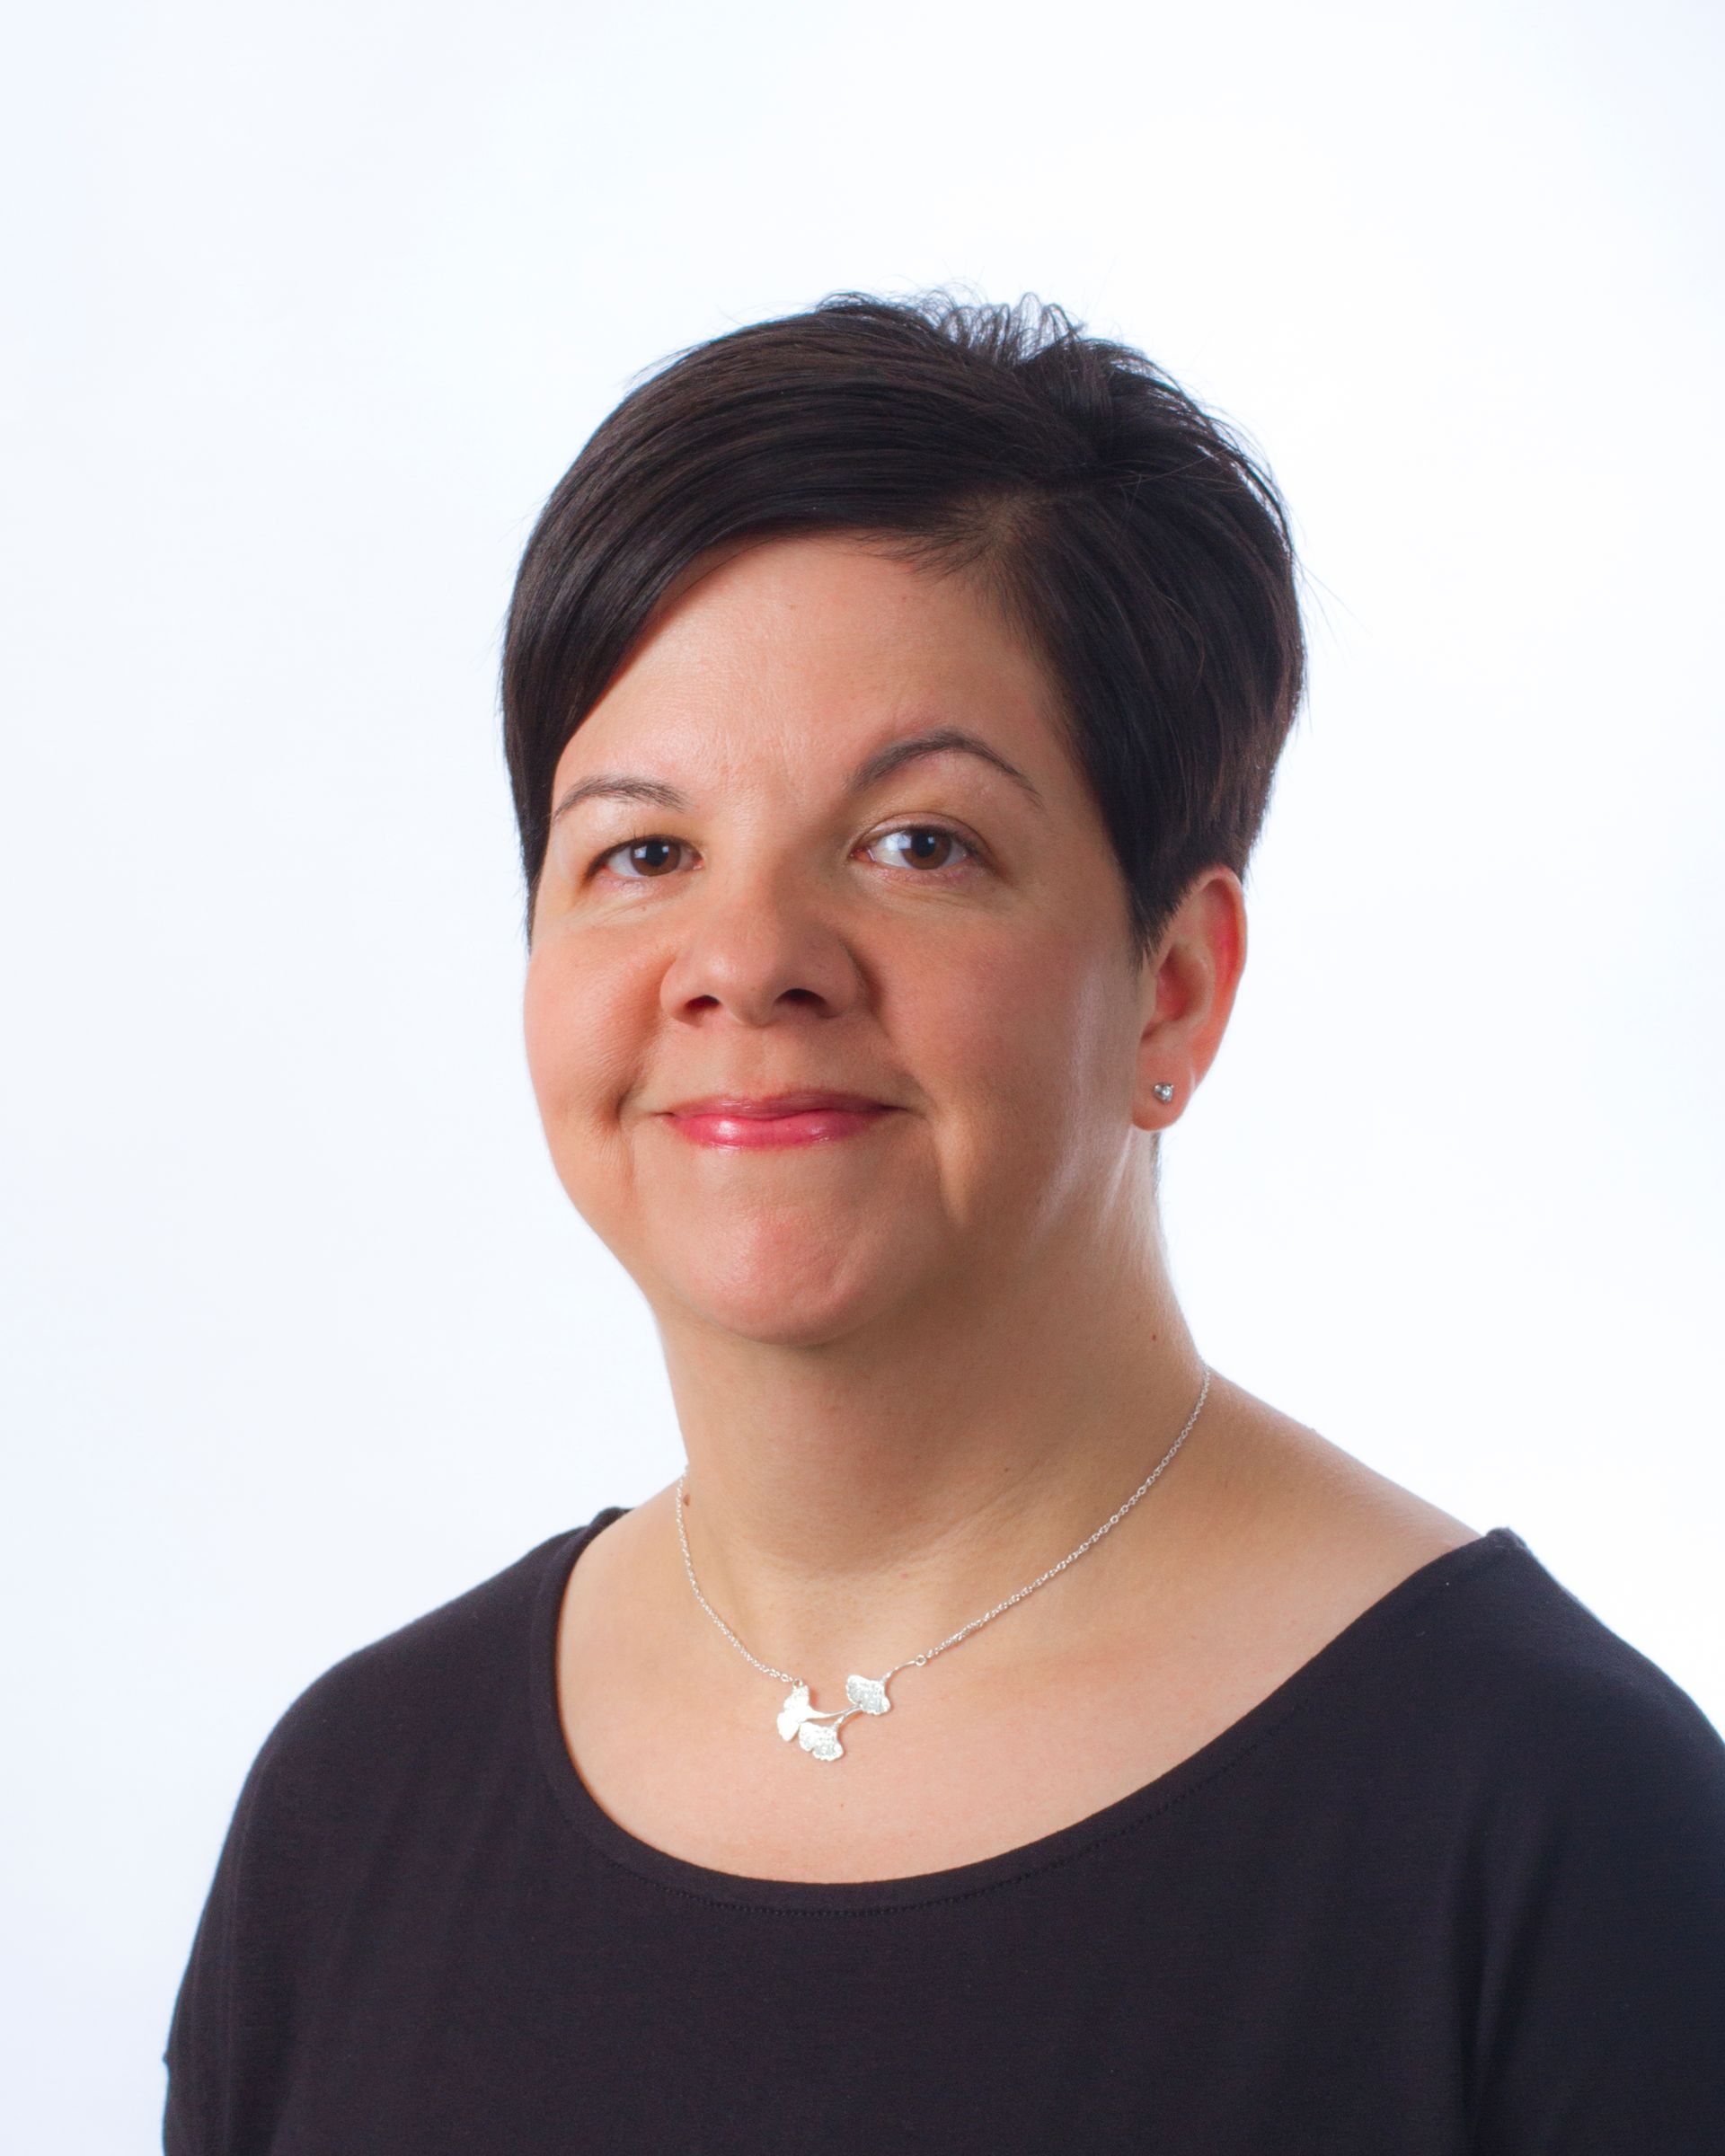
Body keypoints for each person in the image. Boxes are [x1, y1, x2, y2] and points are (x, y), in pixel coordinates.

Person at [162, 291, 1725, 2152]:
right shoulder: (359, 1810)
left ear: (1175, 986)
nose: (744, 963)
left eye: (919, 843)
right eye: (641, 853)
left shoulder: (1551, 1826)